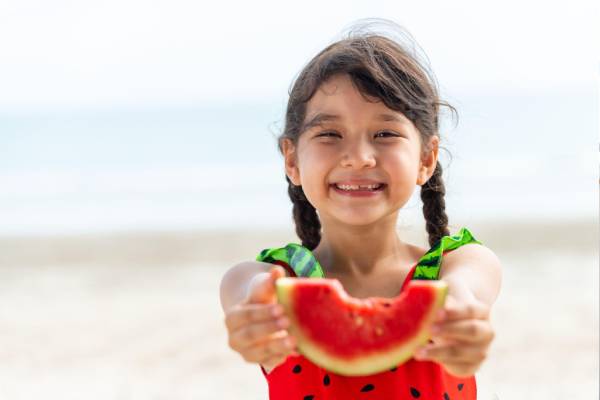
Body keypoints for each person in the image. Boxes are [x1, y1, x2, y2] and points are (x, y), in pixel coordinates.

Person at [220, 20, 502, 399]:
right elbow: (247, 290)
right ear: (292, 161)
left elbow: (466, 290)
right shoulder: (270, 282)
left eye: (385, 134)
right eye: (329, 134)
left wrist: (463, 319)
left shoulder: (460, 266)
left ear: (426, 158)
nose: (359, 158)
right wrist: (255, 313)